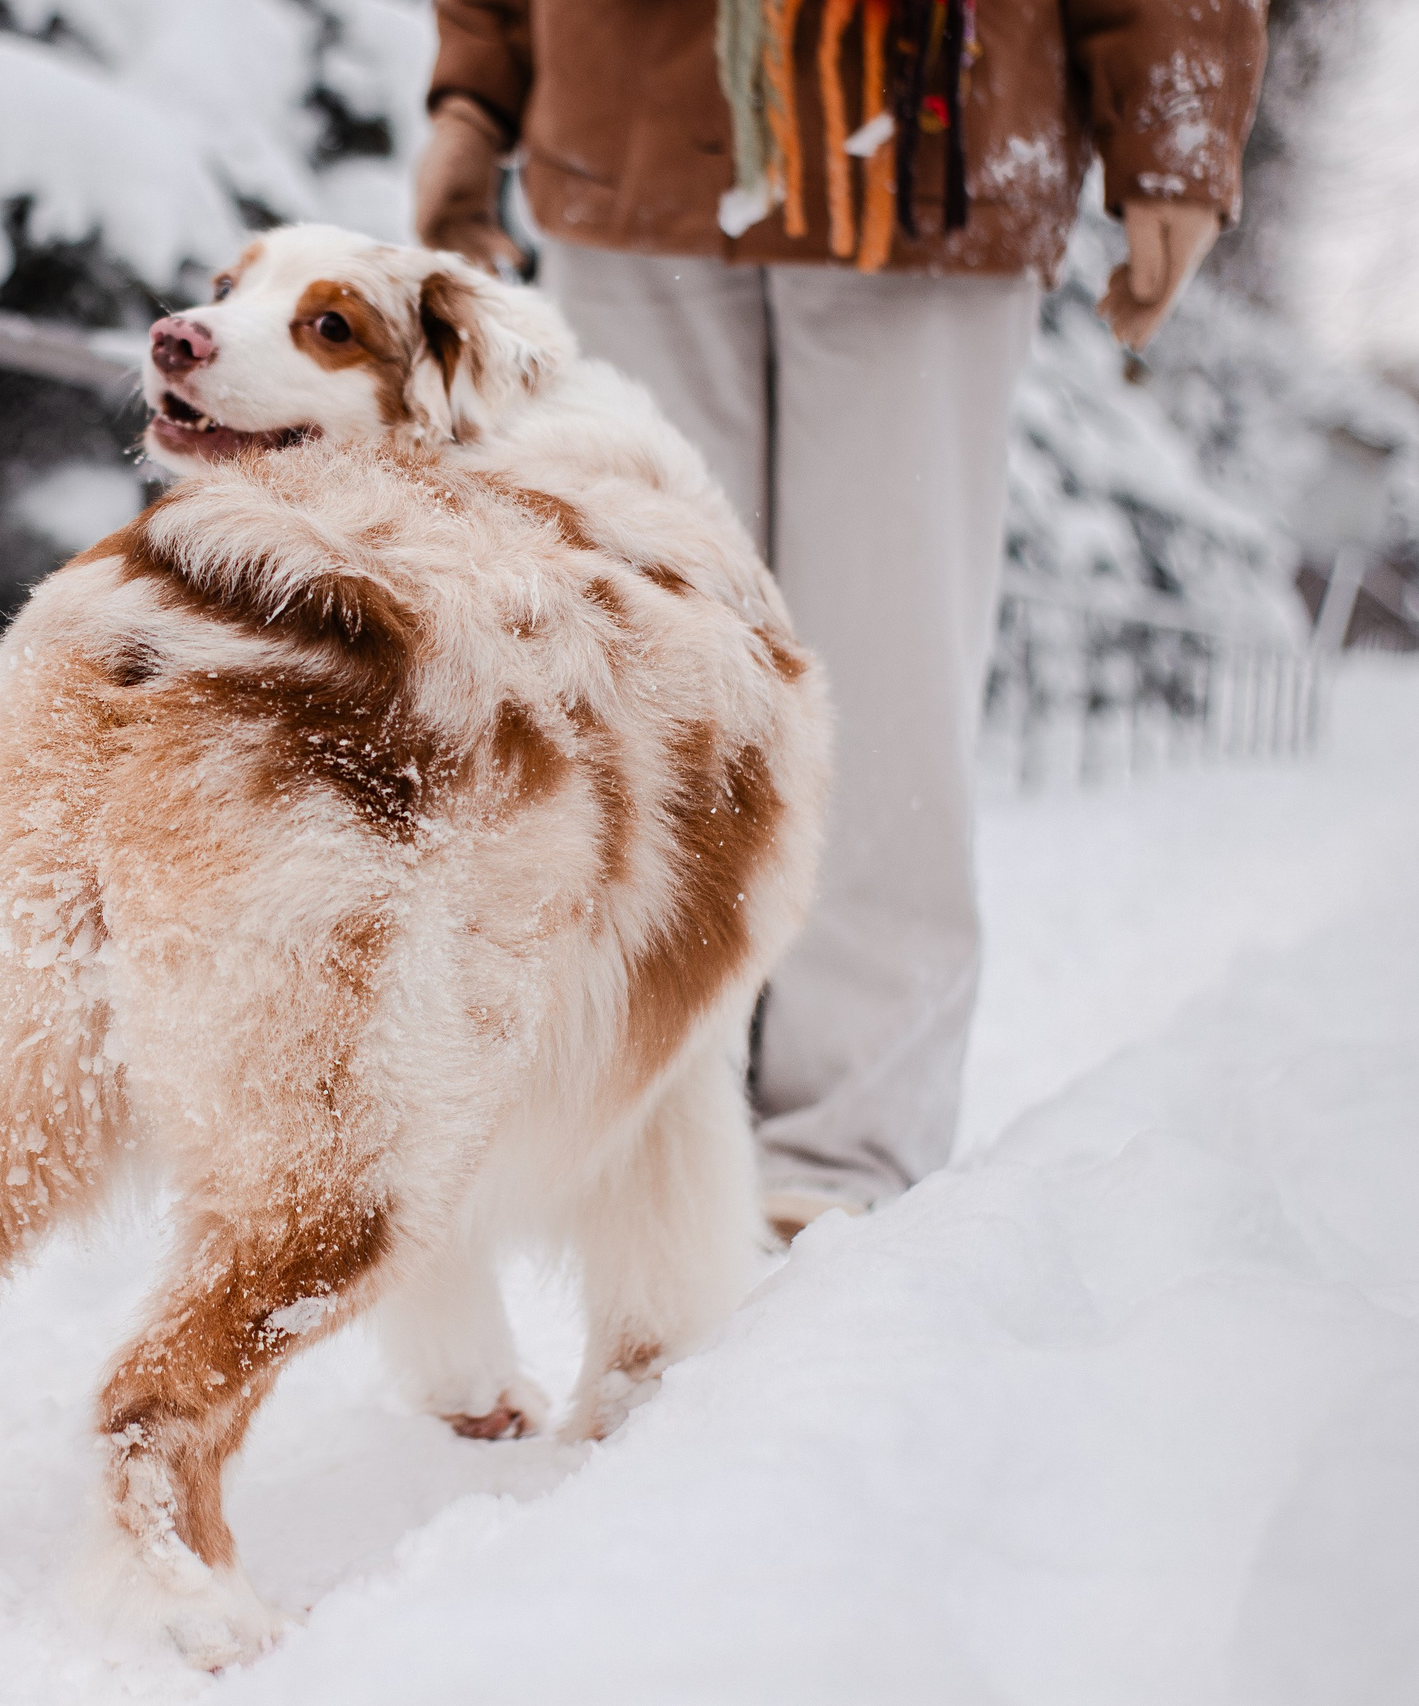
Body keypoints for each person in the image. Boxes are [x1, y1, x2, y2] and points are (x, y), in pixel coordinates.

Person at [414, 0, 1263, 1237]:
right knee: (643, 682)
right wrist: (469, 93)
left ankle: (844, 1147)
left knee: (881, 675)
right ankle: (640, 1125)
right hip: (625, 128)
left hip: (933, 144)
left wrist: (1175, 123)